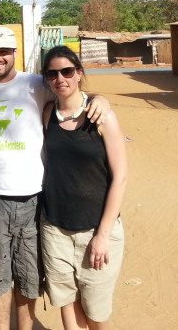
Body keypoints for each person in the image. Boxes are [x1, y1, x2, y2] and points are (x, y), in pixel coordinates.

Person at [0, 27, 109, 330]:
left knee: (29, 274)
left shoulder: (37, 84)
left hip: (34, 196)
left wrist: (101, 98)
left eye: (3, 51)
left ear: (15, 52)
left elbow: (72, 92)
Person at [40, 45, 127, 330]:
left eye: (66, 71)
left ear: (79, 73)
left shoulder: (102, 118)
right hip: (55, 228)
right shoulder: (47, 113)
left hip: (96, 229)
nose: (60, 79)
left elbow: (120, 177)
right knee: (66, 300)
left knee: (96, 311)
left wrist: (102, 236)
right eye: (52, 74)